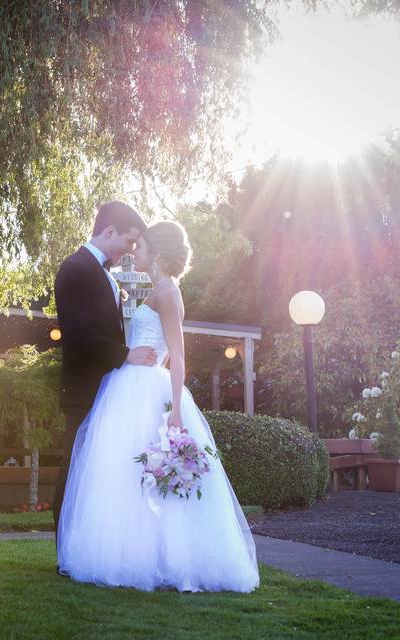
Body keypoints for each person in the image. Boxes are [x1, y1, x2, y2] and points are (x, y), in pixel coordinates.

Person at [56, 220, 259, 593]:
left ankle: (162, 559)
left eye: (143, 247)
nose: (136, 252)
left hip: (148, 389)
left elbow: (178, 356)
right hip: (132, 384)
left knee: (145, 472)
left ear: (159, 254)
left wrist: (176, 410)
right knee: (129, 473)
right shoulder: (157, 290)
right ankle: (138, 554)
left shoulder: (167, 292)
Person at [52, 201, 156, 553]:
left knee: (96, 471)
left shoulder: (106, 275)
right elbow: (77, 332)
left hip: (108, 390)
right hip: (83, 390)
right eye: (128, 241)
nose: (130, 249)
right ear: (108, 231)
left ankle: (90, 549)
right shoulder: (75, 268)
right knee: (74, 469)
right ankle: (66, 553)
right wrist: (125, 355)